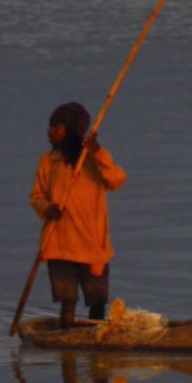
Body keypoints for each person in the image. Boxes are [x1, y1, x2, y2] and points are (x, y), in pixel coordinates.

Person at [30, 102, 127, 329]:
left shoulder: (93, 160)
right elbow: (36, 196)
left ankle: (97, 356)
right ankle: (68, 355)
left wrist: (98, 153)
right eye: (51, 126)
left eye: (57, 126)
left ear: (71, 130)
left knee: (97, 301)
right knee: (68, 301)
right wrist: (47, 208)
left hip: (92, 246)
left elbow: (117, 179)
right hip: (60, 244)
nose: (50, 132)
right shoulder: (48, 162)